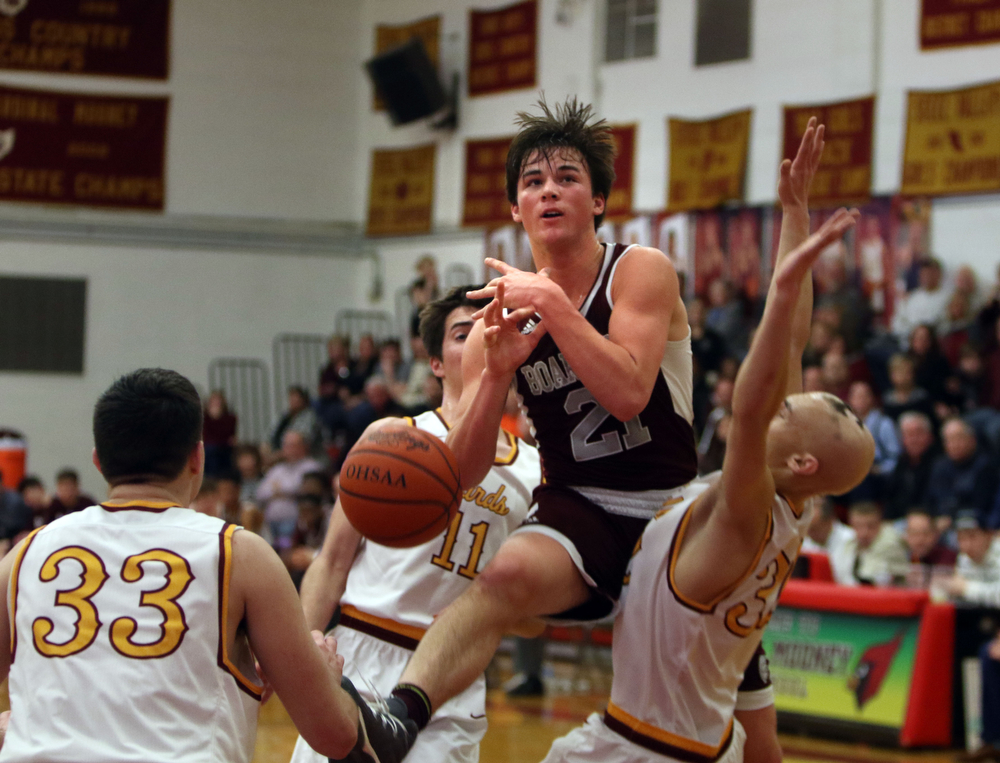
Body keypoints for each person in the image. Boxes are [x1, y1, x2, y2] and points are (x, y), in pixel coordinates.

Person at [539, 124, 875, 763]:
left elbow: (750, 407)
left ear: (800, 460)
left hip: (643, 748)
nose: (790, 397)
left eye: (802, 409)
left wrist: (776, 293)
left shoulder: (749, 506)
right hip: (704, 738)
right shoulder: (788, 503)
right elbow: (795, 344)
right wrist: (795, 218)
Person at [370, 97, 695, 740]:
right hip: (579, 503)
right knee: (502, 578)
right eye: (533, 182)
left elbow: (629, 392)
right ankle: (396, 719)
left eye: (568, 178)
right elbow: (461, 473)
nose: (549, 191)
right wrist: (494, 371)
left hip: (671, 506)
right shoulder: (501, 317)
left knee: (734, 713)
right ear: (515, 209)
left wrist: (552, 301)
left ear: (598, 201)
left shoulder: (639, 271)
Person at [0, 368, 369, 762]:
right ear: (198, 457)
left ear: (98, 462)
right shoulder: (239, 553)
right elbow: (334, 736)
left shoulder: (24, 556)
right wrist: (331, 685)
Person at [290, 285, 541, 763]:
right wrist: (299, 652)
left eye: (489, 329)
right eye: (462, 333)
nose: (479, 341)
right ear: (437, 364)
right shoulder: (390, 438)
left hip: (450, 673)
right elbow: (333, 561)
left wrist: (489, 612)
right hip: (358, 650)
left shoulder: (536, 473)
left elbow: (533, 617)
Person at [256, 430, 322, 550]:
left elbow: (302, 490)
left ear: (303, 446)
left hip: (295, 524)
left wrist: (279, 490)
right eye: (286, 445)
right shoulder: (277, 469)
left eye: (293, 445)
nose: (289, 449)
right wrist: (282, 492)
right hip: (270, 525)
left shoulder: (311, 466)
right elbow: (260, 493)